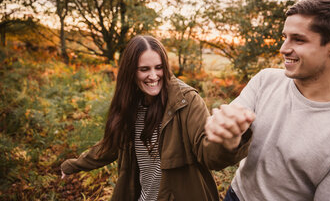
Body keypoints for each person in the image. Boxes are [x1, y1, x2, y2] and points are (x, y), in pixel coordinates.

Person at [205, 0, 330, 200]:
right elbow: (218, 152)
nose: (284, 48)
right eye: (285, 37)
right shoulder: (265, 80)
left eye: (298, 39)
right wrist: (227, 138)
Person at [60, 35, 251, 201]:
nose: (153, 76)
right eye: (144, 69)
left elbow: (208, 154)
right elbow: (110, 146)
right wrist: (73, 165)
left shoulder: (187, 101)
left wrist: (229, 140)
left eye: (158, 67)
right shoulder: (131, 104)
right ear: (131, 72)